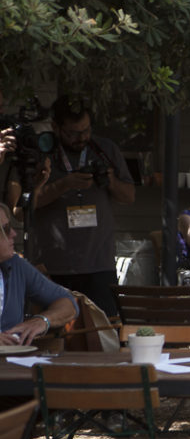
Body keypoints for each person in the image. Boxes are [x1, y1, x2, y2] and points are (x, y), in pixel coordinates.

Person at [31, 95, 135, 317]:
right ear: (56, 127)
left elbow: (129, 197)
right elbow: (25, 207)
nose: (82, 138)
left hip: (99, 264)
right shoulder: (43, 151)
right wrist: (64, 185)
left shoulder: (105, 149)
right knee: (54, 334)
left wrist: (111, 181)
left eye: (86, 130)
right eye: (74, 133)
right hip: (53, 265)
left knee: (103, 332)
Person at [0, 200, 78, 345]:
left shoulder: (16, 265)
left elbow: (68, 303)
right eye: (5, 229)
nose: (13, 233)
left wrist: (43, 320)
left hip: (10, 363)